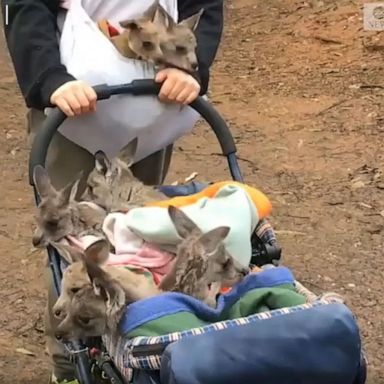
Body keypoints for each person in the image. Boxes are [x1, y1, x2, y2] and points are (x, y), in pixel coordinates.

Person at [1, 0, 224, 382]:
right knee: (74, 242)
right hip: (73, 104)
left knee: (144, 236)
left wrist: (193, 67)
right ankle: (71, 364)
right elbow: (25, 6)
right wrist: (49, 77)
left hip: (152, 104)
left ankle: (140, 351)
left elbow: (203, 7)